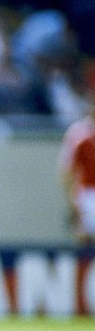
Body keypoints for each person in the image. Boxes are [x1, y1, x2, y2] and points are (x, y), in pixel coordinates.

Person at [59, 88, 95, 245]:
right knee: (85, 242)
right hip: (87, 195)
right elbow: (67, 171)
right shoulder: (79, 133)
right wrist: (73, 202)